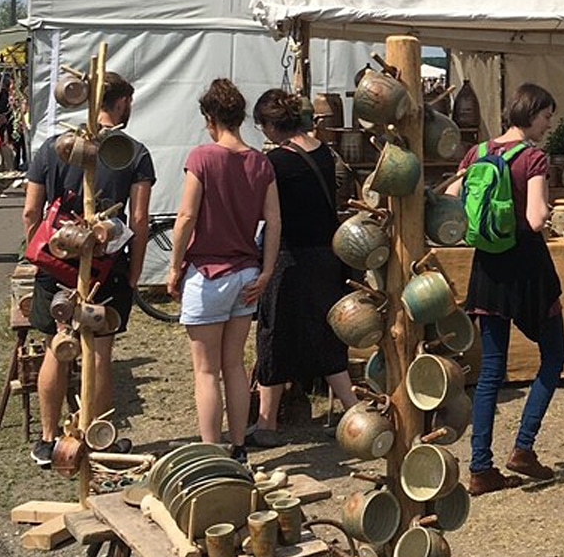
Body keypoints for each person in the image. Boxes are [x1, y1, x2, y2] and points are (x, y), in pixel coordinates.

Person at [23, 72, 154, 466]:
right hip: (108, 266)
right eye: (128, 101)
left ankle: (48, 442)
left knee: (56, 346)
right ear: (120, 102)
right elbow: (141, 219)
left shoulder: (53, 146)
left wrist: (44, 250)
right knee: (99, 351)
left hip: (56, 262)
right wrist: (134, 275)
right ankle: (97, 438)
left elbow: (31, 209)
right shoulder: (134, 152)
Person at [445, 83, 564, 496]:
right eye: (547, 116)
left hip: (488, 270)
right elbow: (534, 219)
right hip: (528, 269)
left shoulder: (478, 152)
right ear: (531, 114)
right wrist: (546, 208)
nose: (549, 124)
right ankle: (523, 448)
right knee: (553, 356)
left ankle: (480, 468)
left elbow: (450, 198)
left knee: (491, 370)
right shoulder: (532, 157)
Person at [167, 79, 280, 464]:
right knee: (234, 363)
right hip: (247, 273)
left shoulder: (202, 157)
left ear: (210, 118)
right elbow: (274, 222)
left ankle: (211, 452)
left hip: (209, 273)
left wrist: (173, 266)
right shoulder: (261, 161)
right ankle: (238, 446)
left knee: (205, 370)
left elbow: (186, 216)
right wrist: (265, 271)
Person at [249, 89, 358, 447]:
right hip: (327, 255)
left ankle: (266, 424)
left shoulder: (276, 163)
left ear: (270, 125)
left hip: (289, 258)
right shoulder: (324, 152)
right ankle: (354, 411)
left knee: (274, 334)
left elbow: (267, 215)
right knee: (327, 333)